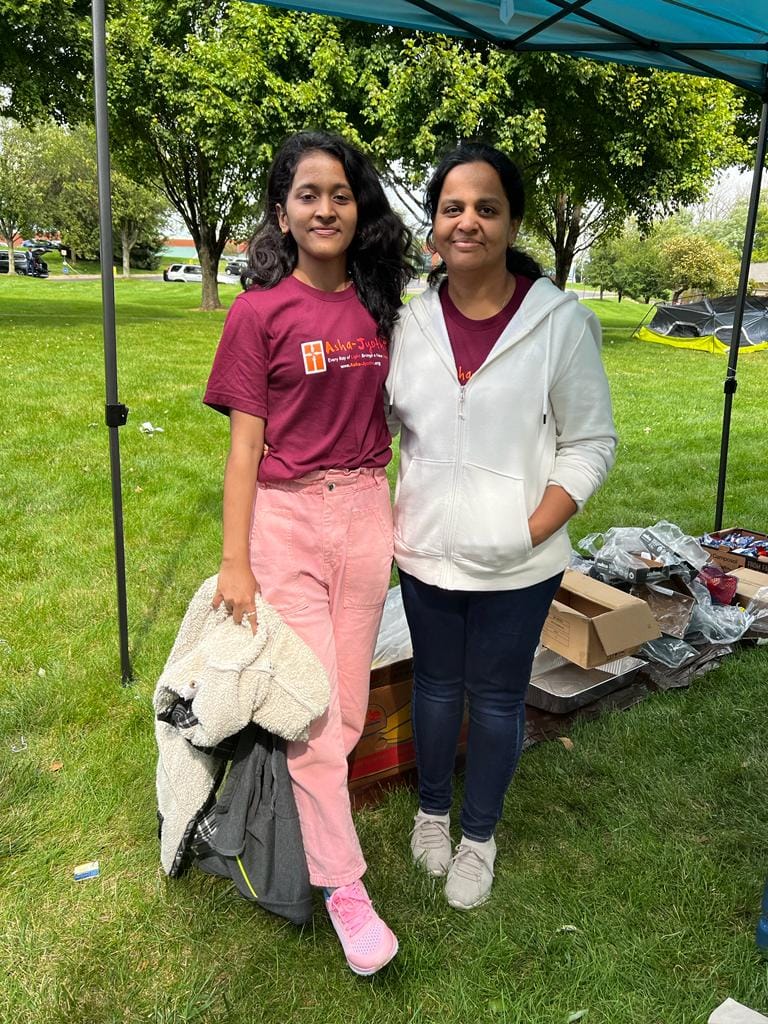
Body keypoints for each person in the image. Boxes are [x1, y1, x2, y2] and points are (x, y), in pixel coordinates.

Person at [203, 131, 416, 975]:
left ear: (359, 208)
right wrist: (235, 560)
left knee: (350, 708)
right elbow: (243, 450)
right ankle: (344, 888)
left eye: (340, 194)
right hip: (285, 520)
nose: (325, 208)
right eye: (307, 194)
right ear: (282, 212)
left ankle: (305, 815)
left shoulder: (380, 309)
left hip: (365, 515)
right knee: (319, 712)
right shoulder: (258, 313)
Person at [385, 142, 617, 910]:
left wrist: (531, 528)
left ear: (512, 222)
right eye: (452, 207)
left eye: (487, 208)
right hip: (426, 552)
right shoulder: (409, 323)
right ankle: (431, 814)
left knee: (495, 699)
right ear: (434, 224)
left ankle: (478, 838)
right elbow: (381, 424)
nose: (468, 222)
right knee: (435, 688)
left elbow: (591, 442)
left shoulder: (559, 323)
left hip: (519, 563)